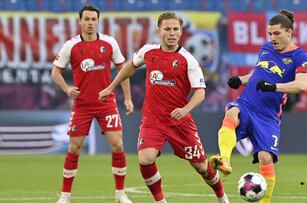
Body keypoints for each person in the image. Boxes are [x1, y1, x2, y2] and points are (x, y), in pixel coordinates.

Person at [99, 11, 229, 203]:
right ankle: (161, 201)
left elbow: (200, 93)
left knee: (201, 166)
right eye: (167, 29)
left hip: (180, 123)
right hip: (153, 120)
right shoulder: (148, 52)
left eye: (175, 29)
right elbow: (130, 66)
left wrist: (185, 110)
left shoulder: (188, 60)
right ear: (158, 31)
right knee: (145, 159)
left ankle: (222, 197)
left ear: (181, 31)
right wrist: (111, 86)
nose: (171, 33)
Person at [210, 10, 307, 203]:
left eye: (277, 33)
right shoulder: (265, 48)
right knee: (231, 113)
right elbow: (258, 75)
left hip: (268, 116)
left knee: (265, 158)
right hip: (247, 104)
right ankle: (224, 160)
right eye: (270, 34)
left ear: (289, 32)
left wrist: (275, 87)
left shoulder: (300, 57)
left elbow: (302, 85)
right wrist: (240, 80)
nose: (272, 38)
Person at [51, 5, 134, 203]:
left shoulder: (109, 42)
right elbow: (55, 73)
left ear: (98, 21)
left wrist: (128, 98)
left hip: (106, 104)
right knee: (74, 148)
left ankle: (120, 194)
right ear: (80, 21)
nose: (90, 23)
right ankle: (65, 196)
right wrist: (67, 89)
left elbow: (124, 71)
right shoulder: (71, 46)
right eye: (86, 19)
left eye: (93, 19)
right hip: (82, 106)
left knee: (117, 145)